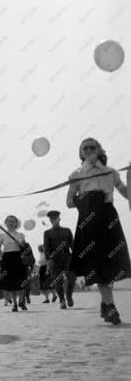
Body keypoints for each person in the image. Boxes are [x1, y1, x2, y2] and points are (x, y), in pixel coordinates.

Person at [66, 138, 129, 325]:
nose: (89, 150)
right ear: (81, 152)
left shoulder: (111, 172)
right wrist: (85, 200)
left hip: (109, 218)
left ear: (99, 149)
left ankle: (106, 303)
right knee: (98, 264)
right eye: (85, 148)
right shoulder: (76, 175)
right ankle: (110, 306)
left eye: (92, 147)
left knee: (111, 263)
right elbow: (69, 202)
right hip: (89, 221)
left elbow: (126, 194)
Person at [0, 215, 28, 312]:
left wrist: (21, 245)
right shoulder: (2, 236)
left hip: (18, 259)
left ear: (16, 223)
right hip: (7, 259)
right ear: (5, 223)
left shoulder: (20, 235)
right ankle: (14, 304)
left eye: (13, 221)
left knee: (21, 280)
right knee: (11, 283)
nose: (11, 223)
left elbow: (25, 249)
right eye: (9, 221)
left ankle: (21, 300)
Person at [43, 210, 74, 309]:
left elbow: (72, 245)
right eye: (51, 219)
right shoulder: (47, 233)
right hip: (54, 260)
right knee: (58, 281)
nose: (53, 220)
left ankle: (69, 296)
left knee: (71, 279)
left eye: (55, 218)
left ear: (59, 219)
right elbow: (46, 248)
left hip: (67, 258)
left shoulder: (67, 230)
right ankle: (62, 300)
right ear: (50, 221)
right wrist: (49, 260)